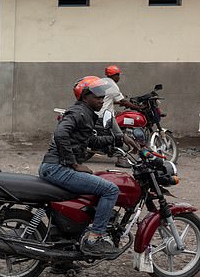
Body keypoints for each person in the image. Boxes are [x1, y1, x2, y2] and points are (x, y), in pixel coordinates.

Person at [39, 76, 122, 257]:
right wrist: (74, 164)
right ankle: (95, 239)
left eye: (102, 97)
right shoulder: (79, 113)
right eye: (97, 97)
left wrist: (117, 139)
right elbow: (61, 134)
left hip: (54, 167)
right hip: (58, 168)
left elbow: (88, 140)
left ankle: (64, 255)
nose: (101, 100)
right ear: (85, 97)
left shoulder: (86, 113)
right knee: (110, 190)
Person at [99, 65, 143, 168]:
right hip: (105, 115)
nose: (119, 77)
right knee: (119, 135)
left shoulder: (102, 82)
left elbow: (110, 99)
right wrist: (137, 108)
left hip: (97, 113)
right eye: (118, 75)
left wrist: (121, 103)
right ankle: (121, 159)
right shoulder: (113, 86)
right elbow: (122, 100)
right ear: (115, 75)